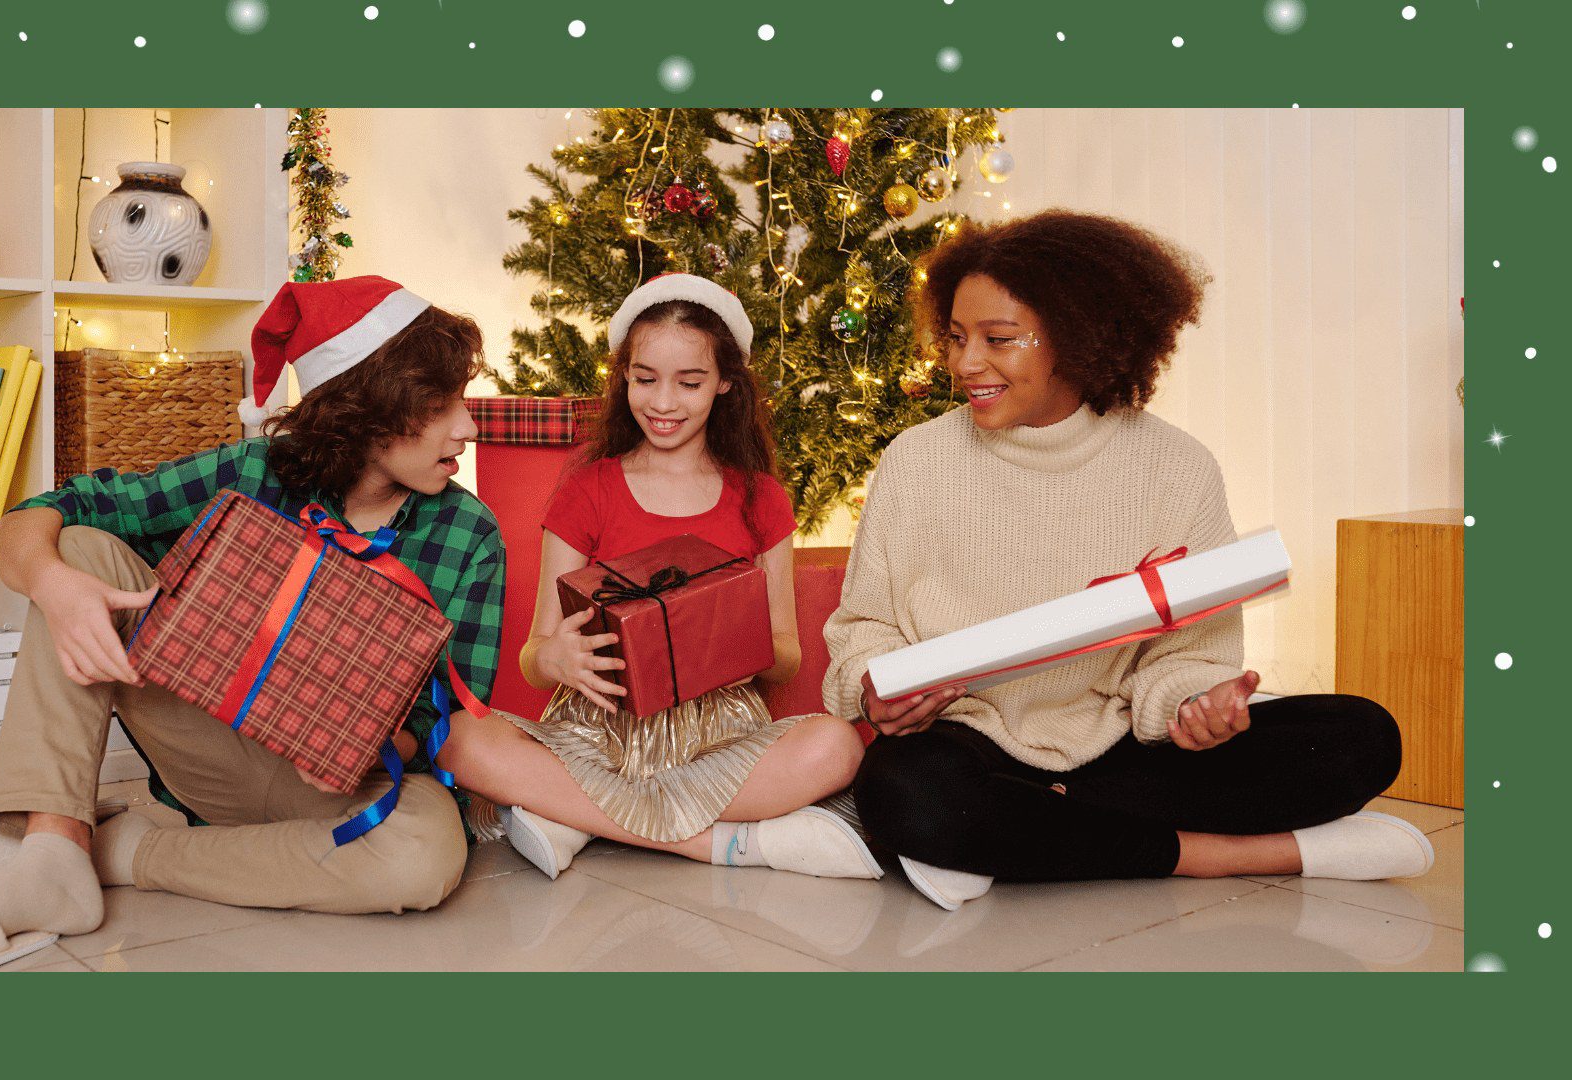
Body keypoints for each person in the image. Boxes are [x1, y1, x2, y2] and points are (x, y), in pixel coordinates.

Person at [0, 276, 504, 970]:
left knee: (424, 856)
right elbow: (40, 514)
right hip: (214, 749)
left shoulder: (470, 534)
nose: (467, 427)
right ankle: (54, 839)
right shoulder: (256, 473)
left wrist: (360, 727)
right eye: (437, 405)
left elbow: (448, 728)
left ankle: (107, 854)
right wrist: (53, 583)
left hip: (338, 789)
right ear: (366, 408)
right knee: (83, 550)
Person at [825, 211, 1431, 911]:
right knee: (903, 791)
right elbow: (862, 627)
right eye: (956, 338)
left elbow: (1189, 659)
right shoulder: (917, 462)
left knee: (1362, 736)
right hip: (967, 741)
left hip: (1120, 743)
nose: (965, 364)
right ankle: (1239, 853)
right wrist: (876, 690)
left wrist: (1196, 707)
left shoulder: (1177, 467)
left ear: (1078, 339)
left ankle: (1024, 829)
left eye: (998, 340)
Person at [440, 273, 877, 881]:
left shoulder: (762, 499)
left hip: (719, 737)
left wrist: (730, 645)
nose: (663, 403)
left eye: (689, 382)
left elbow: (787, 660)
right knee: (462, 739)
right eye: (645, 379)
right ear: (624, 378)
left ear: (725, 383)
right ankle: (728, 843)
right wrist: (556, 660)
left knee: (837, 747)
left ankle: (575, 819)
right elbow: (534, 654)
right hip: (598, 735)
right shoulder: (587, 491)